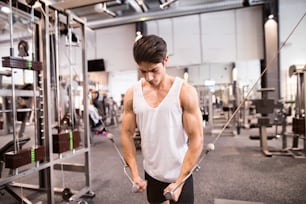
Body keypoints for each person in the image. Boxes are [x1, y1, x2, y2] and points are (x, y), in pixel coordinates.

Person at [121, 35, 204, 204]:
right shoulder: (132, 94)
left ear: (166, 60)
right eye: (143, 71)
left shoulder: (184, 92)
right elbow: (126, 134)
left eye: (154, 70)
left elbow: (197, 139)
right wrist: (135, 174)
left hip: (181, 173)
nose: (148, 77)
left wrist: (179, 182)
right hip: (152, 174)